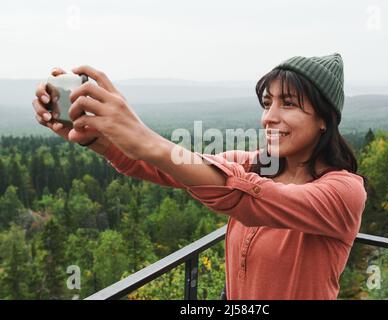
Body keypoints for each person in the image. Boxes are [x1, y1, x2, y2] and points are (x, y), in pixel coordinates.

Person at [32, 53, 368, 300]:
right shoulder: (251, 164)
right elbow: (169, 167)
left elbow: (248, 199)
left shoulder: (343, 192)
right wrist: (96, 137)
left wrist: (144, 137)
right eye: (267, 103)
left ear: (325, 119)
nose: (269, 117)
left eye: (289, 104)